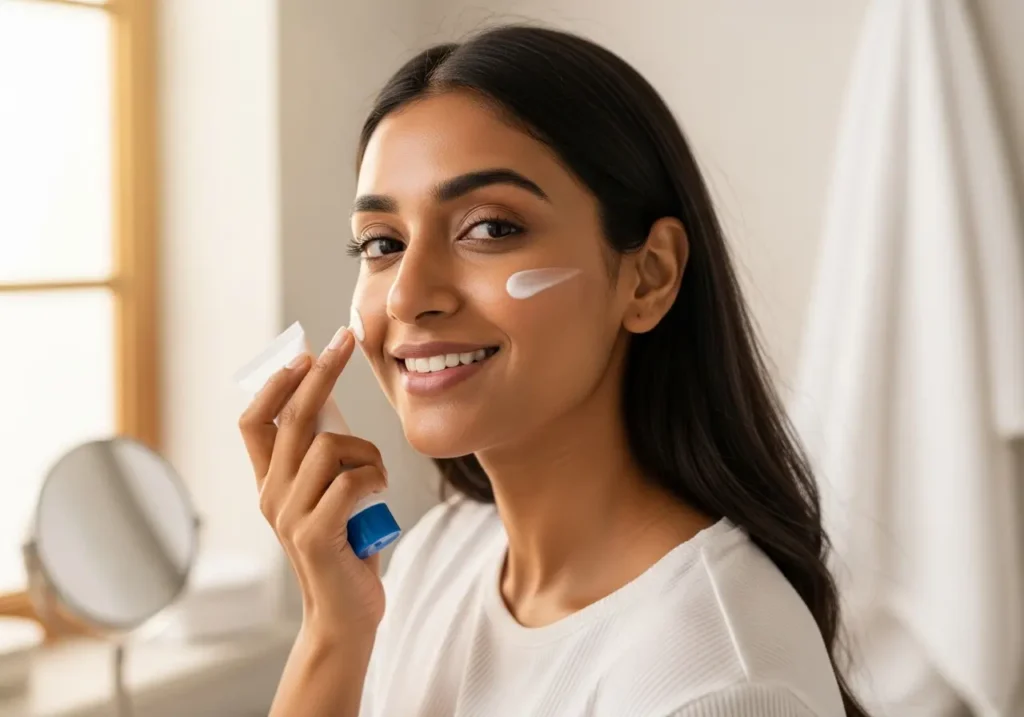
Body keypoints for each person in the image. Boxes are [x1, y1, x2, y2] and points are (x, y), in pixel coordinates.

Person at [238, 25, 869, 717]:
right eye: (382, 243)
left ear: (648, 277)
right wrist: (332, 629)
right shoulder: (434, 561)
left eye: (490, 228)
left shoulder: (717, 684)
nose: (409, 296)